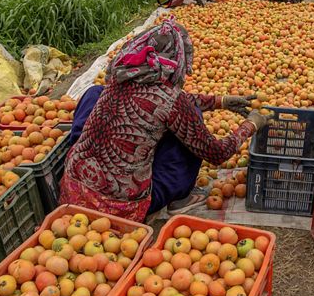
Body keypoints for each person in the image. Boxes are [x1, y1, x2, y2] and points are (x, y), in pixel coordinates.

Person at [59, 18, 267, 222]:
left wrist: (220, 101)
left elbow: (159, 101)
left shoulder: (118, 79)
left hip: (74, 195)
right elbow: (217, 153)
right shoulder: (171, 101)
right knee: (188, 120)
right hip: (119, 209)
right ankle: (179, 198)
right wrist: (251, 124)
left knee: (95, 93)